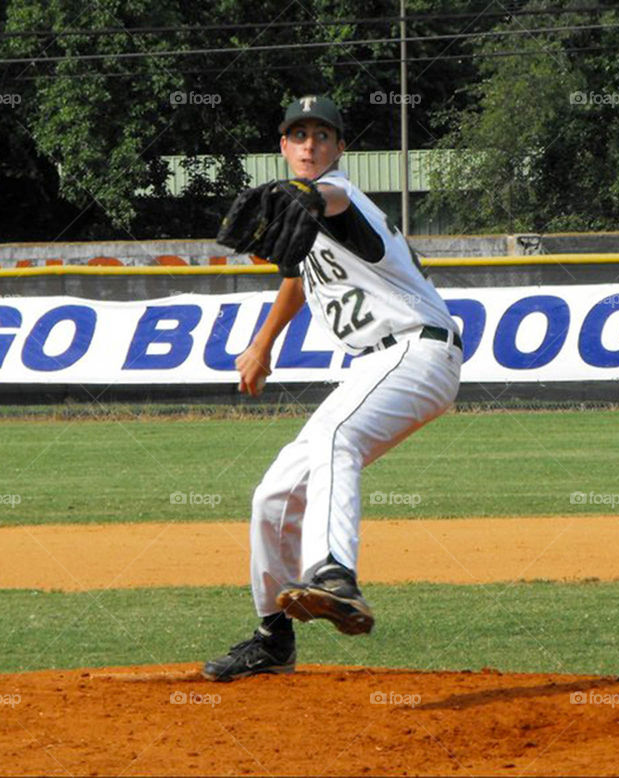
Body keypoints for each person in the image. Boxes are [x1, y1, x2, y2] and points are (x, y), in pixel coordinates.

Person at [203, 95, 463, 681]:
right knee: (272, 497)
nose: (310, 144)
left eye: (323, 135)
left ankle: (334, 573)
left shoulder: (342, 197)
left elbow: (332, 200)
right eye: (299, 135)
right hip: (379, 363)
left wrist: (311, 194)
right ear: (283, 146)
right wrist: (262, 343)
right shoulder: (305, 219)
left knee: (335, 439)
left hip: (416, 351)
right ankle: (273, 637)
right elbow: (297, 278)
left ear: (339, 149)